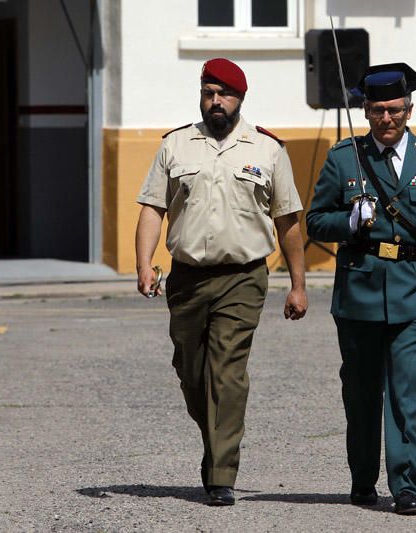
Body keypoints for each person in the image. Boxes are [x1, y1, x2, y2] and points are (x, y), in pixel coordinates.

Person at [134, 58, 308, 506]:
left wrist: (297, 284)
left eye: (224, 94)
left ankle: (221, 474)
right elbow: (153, 207)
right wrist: (144, 264)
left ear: (240, 100)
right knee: (192, 374)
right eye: (209, 92)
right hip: (187, 278)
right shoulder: (176, 145)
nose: (216, 101)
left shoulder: (267, 150)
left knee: (227, 374)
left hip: (243, 277)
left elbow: (288, 219)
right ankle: (216, 443)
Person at [306, 63, 416, 515]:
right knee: (360, 392)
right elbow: (316, 221)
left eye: (394, 110)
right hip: (360, 293)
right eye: (376, 111)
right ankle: (361, 480)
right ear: (366, 111)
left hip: (415, 292)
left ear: (409, 110)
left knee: (407, 391)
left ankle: (407, 485)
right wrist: (349, 222)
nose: (386, 120)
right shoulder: (344, 158)